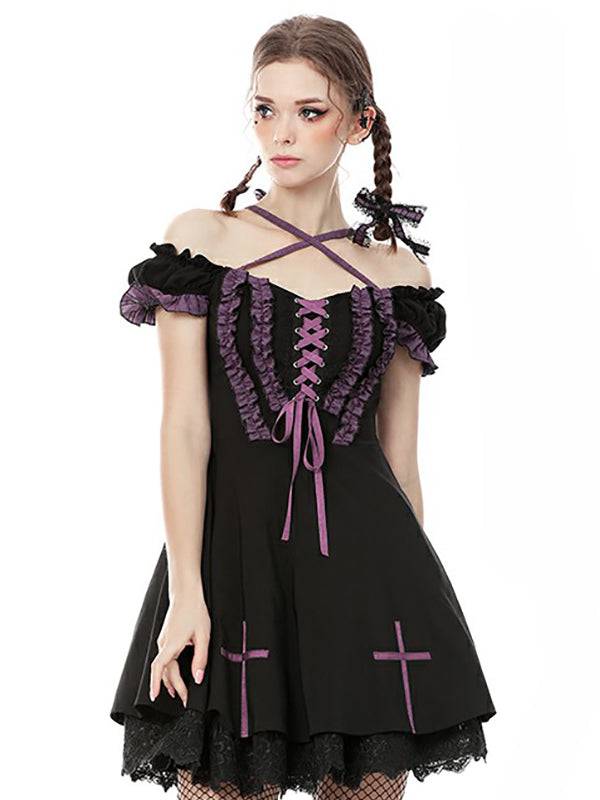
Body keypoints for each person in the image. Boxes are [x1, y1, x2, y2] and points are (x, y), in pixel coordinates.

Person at [110, 14, 496, 800]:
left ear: (358, 122)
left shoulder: (400, 276)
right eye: (265, 108)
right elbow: (185, 428)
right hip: (232, 565)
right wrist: (186, 591)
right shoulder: (201, 242)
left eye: (309, 111)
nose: (280, 133)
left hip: (369, 575)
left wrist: (410, 596)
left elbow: (400, 458)